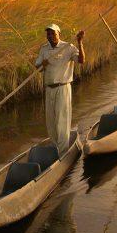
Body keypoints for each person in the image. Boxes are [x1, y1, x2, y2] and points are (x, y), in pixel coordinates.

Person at [35, 24, 85, 154]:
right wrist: (43, 65)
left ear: (59, 34)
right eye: (48, 34)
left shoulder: (68, 47)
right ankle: (54, 148)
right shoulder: (44, 49)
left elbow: (81, 60)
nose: (50, 36)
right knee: (51, 121)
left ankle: (63, 152)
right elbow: (38, 67)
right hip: (49, 89)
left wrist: (80, 43)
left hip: (63, 88)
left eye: (53, 34)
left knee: (61, 120)